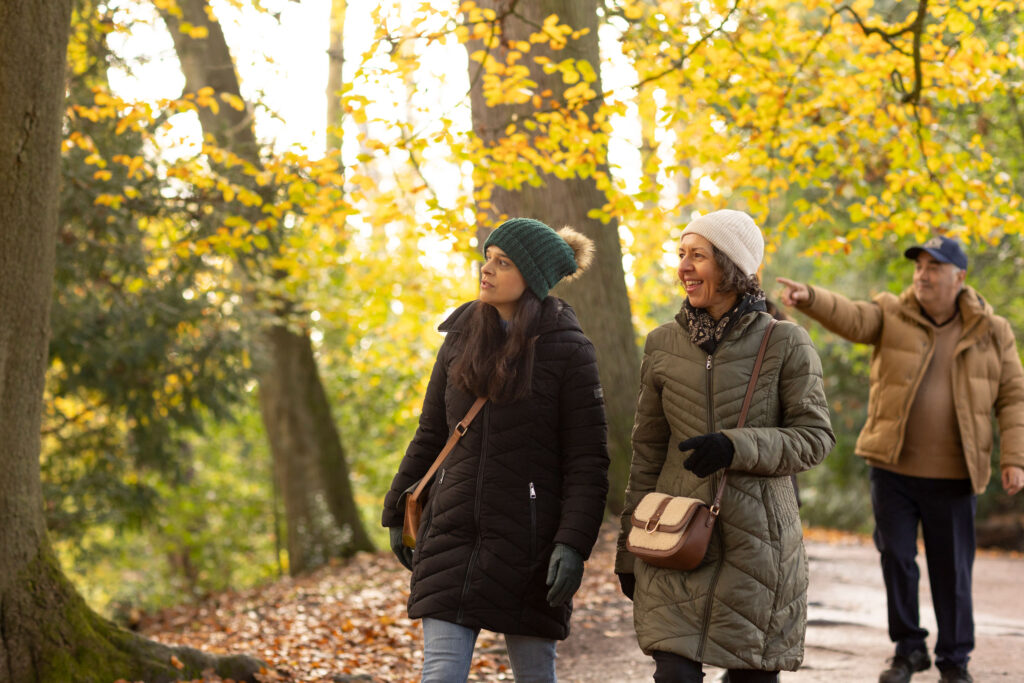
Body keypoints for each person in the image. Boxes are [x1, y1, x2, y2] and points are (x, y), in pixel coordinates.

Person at [777, 235, 1024, 683]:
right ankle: (908, 649)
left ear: (960, 277)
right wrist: (810, 298)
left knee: (952, 573)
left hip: (955, 474)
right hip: (892, 469)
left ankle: (954, 660)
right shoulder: (893, 312)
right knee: (897, 558)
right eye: (919, 266)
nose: (923, 274)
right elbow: (852, 317)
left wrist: (1015, 458)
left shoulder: (993, 331)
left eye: (934, 266)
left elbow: (1013, 397)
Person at [382, 217, 610, 683]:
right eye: (487, 258)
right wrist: (397, 508)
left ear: (533, 279)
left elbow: (587, 462)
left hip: (529, 548)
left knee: (534, 676)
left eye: (502, 262)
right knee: (440, 674)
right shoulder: (460, 338)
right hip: (449, 533)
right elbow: (431, 434)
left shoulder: (569, 351)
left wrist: (572, 544)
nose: (486, 270)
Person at [614, 209, 835, 683]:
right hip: (675, 537)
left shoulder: (786, 342)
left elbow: (815, 438)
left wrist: (737, 447)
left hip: (758, 550)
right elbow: (647, 452)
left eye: (699, 256)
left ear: (733, 267)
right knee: (673, 675)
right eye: (681, 254)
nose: (684, 267)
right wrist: (627, 550)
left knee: (752, 677)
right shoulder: (661, 346)